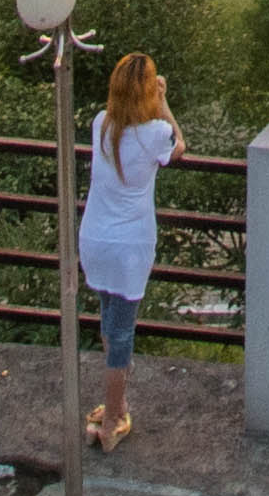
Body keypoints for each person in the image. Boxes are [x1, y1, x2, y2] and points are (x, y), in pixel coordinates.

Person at [72, 50, 185, 452]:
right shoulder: (155, 132)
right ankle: (113, 423)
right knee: (121, 335)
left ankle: (114, 404)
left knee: (108, 322)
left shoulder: (100, 124)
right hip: (130, 246)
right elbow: (179, 146)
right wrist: (164, 100)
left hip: (95, 239)